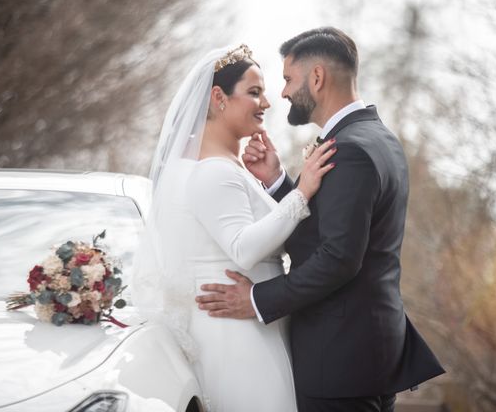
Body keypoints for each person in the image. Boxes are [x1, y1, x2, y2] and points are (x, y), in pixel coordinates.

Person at [196, 27, 446, 412]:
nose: (281, 93)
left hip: (339, 359)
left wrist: (256, 300)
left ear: (317, 78)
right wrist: (279, 183)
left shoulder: (351, 149)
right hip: (370, 352)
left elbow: (338, 258)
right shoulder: (379, 139)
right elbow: (327, 232)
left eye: (287, 79)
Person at [131, 44, 336, 412]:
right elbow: (243, 248)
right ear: (218, 98)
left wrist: (274, 179)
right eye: (254, 92)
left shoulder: (222, 166)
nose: (267, 103)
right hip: (238, 336)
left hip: (247, 326)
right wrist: (302, 191)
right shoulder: (213, 171)